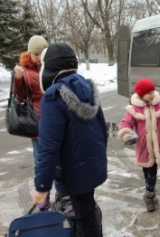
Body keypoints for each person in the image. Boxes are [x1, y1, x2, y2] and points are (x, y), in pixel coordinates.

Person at [32, 43, 107, 237]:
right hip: (91, 165)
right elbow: (102, 130)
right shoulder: (87, 88)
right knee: (86, 210)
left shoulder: (53, 96)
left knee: (85, 215)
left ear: (50, 67)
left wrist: (42, 187)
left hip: (74, 171)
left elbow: (48, 147)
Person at [118, 78, 160, 212]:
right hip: (145, 147)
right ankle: (149, 195)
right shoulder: (134, 109)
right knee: (149, 171)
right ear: (141, 94)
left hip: (159, 145)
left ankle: (150, 191)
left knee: (153, 170)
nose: (152, 94)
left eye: (153, 91)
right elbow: (125, 123)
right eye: (148, 92)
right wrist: (126, 134)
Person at [13, 35, 49, 210]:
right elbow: (20, 98)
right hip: (37, 122)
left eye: (41, 53)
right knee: (41, 161)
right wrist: (18, 79)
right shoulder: (25, 71)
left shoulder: (50, 66)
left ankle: (63, 196)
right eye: (35, 54)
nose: (38, 57)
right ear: (30, 53)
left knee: (58, 160)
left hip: (54, 118)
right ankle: (43, 198)